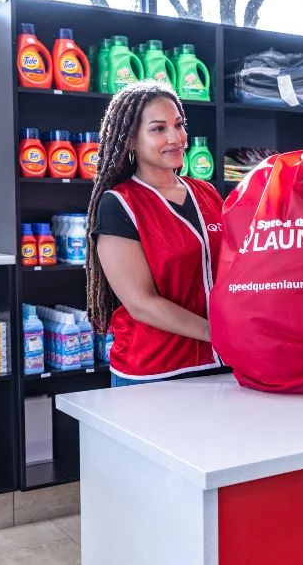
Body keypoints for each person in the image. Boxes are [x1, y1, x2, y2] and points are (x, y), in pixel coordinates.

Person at [86, 81, 225, 387]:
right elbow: (140, 302)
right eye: (158, 129)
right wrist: (217, 333)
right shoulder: (120, 204)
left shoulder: (207, 193)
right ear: (130, 140)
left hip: (222, 364)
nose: (176, 138)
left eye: (179, 125)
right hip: (154, 371)